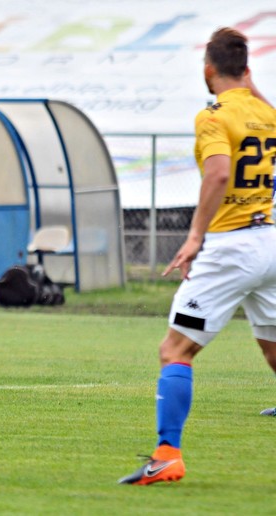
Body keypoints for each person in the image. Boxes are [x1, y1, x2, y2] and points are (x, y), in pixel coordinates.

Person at [119, 28, 276, 486]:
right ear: (247, 70)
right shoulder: (265, 112)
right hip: (270, 238)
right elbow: (261, 108)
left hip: (231, 246)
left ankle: (167, 456)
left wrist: (194, 236)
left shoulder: (212, 116)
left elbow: (219, 173)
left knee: (175, 349)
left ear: (208, 70)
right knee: (271, 349)